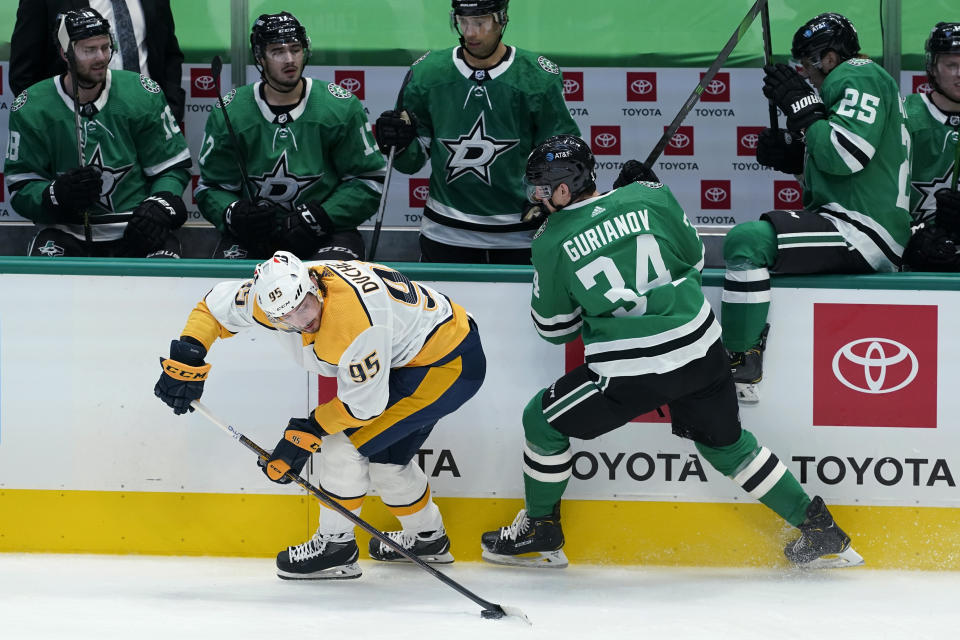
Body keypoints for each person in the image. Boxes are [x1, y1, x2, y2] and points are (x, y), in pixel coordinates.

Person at [479, 134, 863, 570]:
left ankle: (541, 529)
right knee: (729, 448)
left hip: (629, 373)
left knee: (541, 422)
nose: (536, 197)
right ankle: (820, 529)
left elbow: (554, 329)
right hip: (701, 350)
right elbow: (695, 257)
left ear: (564, 188)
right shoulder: (649, 194)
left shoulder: (550, 239)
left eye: (541, 188)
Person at [154, 251, 486, 579]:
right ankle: (428, 538)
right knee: (386, 462)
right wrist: (188, 357)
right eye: (287, 318)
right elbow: (213, 307)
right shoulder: (277, 296)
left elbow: (363, 407)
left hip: (446, 366)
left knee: (344, 446)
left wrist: (307, 431)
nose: (303, 321)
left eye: (305, 306)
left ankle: (335, 547)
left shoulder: (352, 321)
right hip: (417, 353)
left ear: (314, 285)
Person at [722, 12, 911, 403]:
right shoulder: (856, 83)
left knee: (748, 240)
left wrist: (802, 107)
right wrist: (795, 157)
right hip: (857, 223)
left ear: (828, 58)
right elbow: (849, 168)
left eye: (806, 64)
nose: (804, 74)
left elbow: (846, 154)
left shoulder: (856, 72)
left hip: (862, 230)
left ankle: (739, 360)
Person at [373, 0, 580, 264]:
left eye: (480, 22)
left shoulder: (538, 77)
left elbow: (564, 154)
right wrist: (398, 145)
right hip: (446, 233)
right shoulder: (426, 73)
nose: (470, 33)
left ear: (501, 19)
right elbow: (412, 162)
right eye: (463, 22)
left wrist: (545, 195)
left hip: (521, 234)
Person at [195, 12, 386, 261]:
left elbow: (367, 180)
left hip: (326, 232)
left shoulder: (340, 107)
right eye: (277, 51)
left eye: (295, 49)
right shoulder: (231, 112)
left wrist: (322, 217)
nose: (289, 59)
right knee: (231, 290)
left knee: (335, 285)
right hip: (255, 235)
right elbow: (212, 187)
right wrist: (234, 213)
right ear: (259, 57)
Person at [4, 8, 191, 258]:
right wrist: (55, 195)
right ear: (64, 53)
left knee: (165, 276)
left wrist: (158, 206)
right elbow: (21, 187)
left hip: (135, 228)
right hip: (67, 231)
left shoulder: (142, 93)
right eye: (89, 50)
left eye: (105, 47)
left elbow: (172, 168)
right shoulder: (31, 107)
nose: (101, 57)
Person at [10, 0, 186, 122]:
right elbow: (23, 73)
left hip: (149, 119)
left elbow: (168, 53)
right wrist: (59, 125)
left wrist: (171, 109)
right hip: (77, 129)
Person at [902, 22, 960, 272]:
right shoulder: (905, 115)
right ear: (933, 68)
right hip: (914, 255)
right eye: (952, 65)